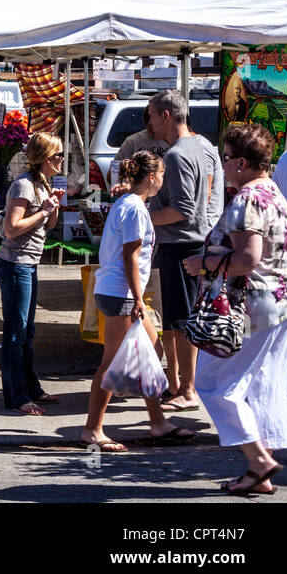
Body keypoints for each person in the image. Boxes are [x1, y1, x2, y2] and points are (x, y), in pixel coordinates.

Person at [186, 123, 287, 495]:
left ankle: (260, 460)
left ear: (243, 163)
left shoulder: (249, 198)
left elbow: (247, 259)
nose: (224, 164)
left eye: (227, 158)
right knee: (255, 386)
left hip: (249, 308)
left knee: (213, 384)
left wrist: (202, 264)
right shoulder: (273, 191)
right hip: (277, 303)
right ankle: (256, 469)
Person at [83, 152, 194, 450]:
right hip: (121, 294)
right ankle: (93, 430)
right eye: (162, 174)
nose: (164, 179)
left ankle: (157, 421)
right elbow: (130, 255)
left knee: (152, 350)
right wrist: (137, 298)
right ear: (151, 177)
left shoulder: (129, 204)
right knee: (110, 363)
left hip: (119, 292)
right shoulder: (134, 208)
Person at [145, 89, 214, 413]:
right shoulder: (195, 148)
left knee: (183, 320)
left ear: (166, 116)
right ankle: (177, 385)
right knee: (175, 320)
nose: (149, 123)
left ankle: (188, 390)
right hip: (183, 244)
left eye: (151, 115)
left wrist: (141, 215)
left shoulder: (177, 154)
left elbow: (183, 208)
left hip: (181, 244)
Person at [0, 132, 64, 414]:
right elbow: (12, 229)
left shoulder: (41, 183)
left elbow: (48, 226)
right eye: (58, 155)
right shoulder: (23, 185)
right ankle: (17, 396)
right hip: (14, 264)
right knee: (15, 332)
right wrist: (43, 211)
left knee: (27, 331)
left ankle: (31, 388)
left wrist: (54, 206)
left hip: (28, 263)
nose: (61, 159)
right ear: (46, 158)